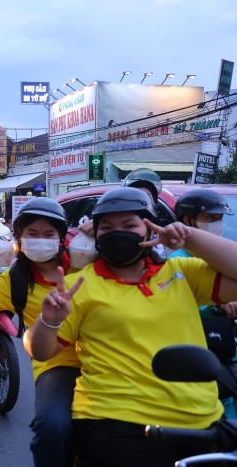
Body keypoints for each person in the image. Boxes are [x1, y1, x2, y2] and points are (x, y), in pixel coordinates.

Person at [26, 186, 237, 466]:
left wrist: (188, 237)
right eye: (107, 227)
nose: (118, 232)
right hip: (115, 423)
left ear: (150, 230)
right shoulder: (82, 285)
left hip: (202, 422)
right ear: (96, 235)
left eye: (129, 225)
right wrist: (50, 320)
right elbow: (39, 350)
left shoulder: (180, 272)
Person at [0, 197, 79, 467]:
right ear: (20, 238)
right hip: (55, 365)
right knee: (51, 428)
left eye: (49, 234)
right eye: (32, 234)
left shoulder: (83, 263)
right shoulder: (15, 279)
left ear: (61, 236)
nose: (41, 240)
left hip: (102, 356)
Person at [171, 188, 237, 416]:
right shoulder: (176, 260)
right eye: (210, 218)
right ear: (187, 221)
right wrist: (215, 305)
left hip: (225, 349)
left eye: (219, 219)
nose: (217, 225)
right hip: (197, 353)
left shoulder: (222, 254)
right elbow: (176, 301)